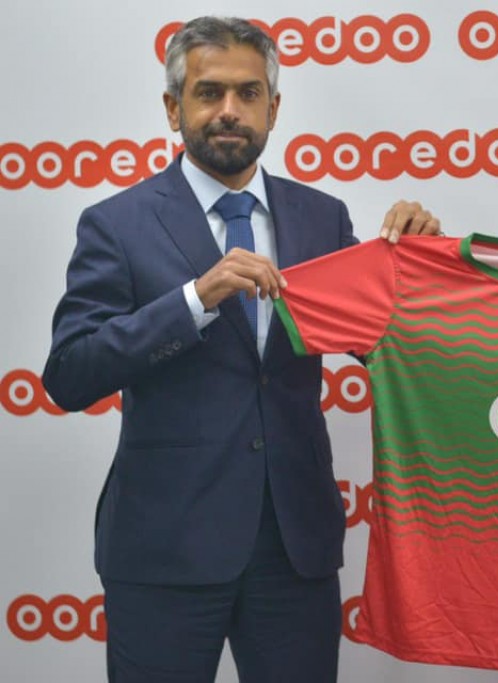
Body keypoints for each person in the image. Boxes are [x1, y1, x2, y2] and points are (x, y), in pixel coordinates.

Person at [42, 16, 439, 683]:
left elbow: (391, 345)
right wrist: (194, 300)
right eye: (209, 92)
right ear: (174, 108)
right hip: (164, 547)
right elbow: (69, 374)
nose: (229, 110)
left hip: (293, 546)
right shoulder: (116, 224)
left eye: (248, 93)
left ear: (273, 109)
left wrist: (420, 265)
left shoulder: (322, 218)